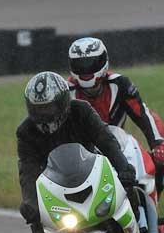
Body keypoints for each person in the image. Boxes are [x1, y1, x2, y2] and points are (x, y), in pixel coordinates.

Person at [17, 71, 137, 233]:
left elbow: (105, 139)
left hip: (91, 171)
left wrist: (123, 167)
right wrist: (30, 202)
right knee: (35, 218)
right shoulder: (26, 132)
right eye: (38, 108)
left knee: (129, 189)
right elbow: (27, 169)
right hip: (54, 186)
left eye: (49, 107)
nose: (44, 114)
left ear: (63, 102)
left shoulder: (81, 111)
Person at [68, 37, 164, 165]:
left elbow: (143, 115)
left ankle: (157, 184)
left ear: (103, 61)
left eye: (91, 63)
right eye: (80, 66)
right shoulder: (66, 91)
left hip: (119, 149)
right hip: (81, 156)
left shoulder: (120, 84)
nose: (86, 71)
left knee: (159, 158)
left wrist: (157, 144)